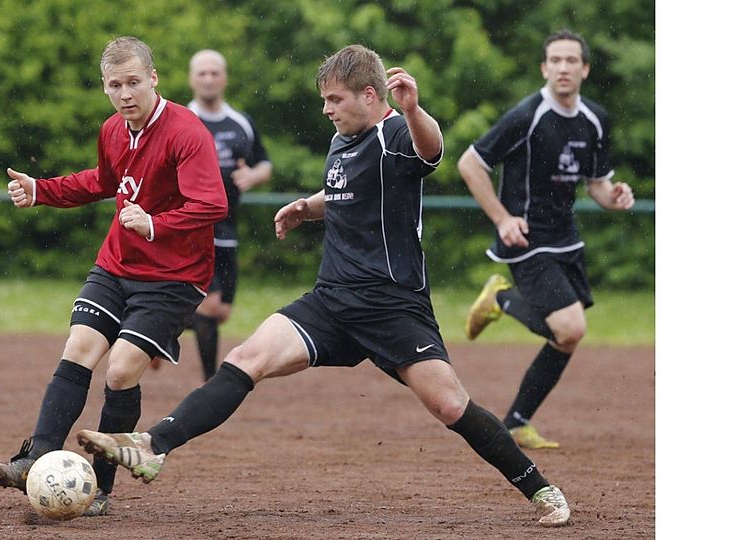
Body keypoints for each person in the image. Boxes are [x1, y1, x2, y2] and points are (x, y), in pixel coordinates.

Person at [77, 44, 571, 527]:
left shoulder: (394, 131)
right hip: (332, 300)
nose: (326, 109)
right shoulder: (343, 141)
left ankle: (540, 489)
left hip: (392, 306)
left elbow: (431, 151)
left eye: (335, 99)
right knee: (246, 359)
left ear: (370, 97)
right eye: (325, 99)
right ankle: (152, 445)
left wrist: (415, 110)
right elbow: (344, 190)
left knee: (449, 405)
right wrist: (308, 206)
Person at [0, 36, 227, 517]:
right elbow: (102, 181)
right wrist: (42, 190)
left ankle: (101, 488)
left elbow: (213, 204)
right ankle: (33, 460)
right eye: (115, 85)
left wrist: (156, 223)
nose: (125, 93)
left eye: (134, 82)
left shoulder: (186, 131)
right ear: (105, 87)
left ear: (154, 79)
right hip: (117, 264)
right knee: (79, 348)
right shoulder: (113, 129)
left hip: (175, 277)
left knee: (119, 370)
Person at [457, 29, 635, 450]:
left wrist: (614, 196)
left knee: (568, 335)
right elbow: (470, 164)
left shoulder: (595, 119)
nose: (562, 67)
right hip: (527, 238)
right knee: (570, 328)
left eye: (571, 60)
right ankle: (500, 299)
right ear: (544, 68)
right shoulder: (527, 114)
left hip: (566, 239)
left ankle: (518, 421)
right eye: (554, 60)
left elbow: (596, 185)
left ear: (585, 69)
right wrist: (502, 219)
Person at [186, 49, 272, 380]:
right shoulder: (181, 119)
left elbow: (264, 164)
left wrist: (253, 175)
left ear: (224, 77)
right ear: (191, 78)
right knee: (208, 306)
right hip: (192, 228)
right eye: (202, 73)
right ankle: (210, 383)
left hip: (228, 227)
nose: (208, 79)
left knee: (220, 311)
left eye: (214, 73)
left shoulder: (241, 123)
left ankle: (156, 329)